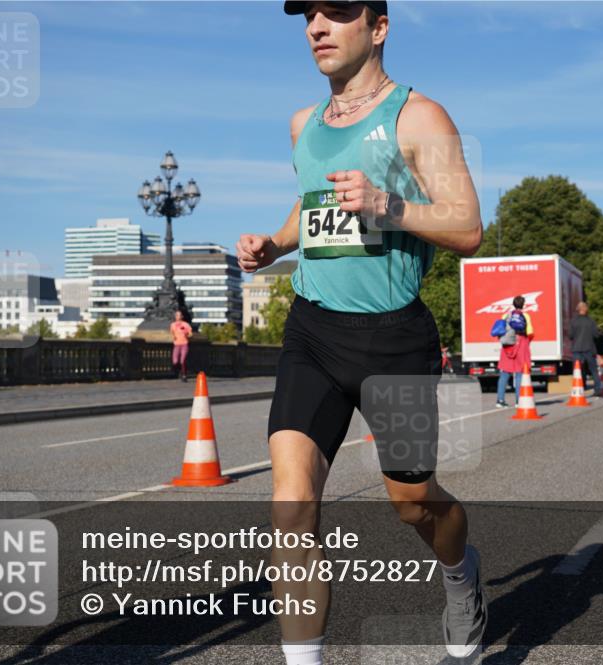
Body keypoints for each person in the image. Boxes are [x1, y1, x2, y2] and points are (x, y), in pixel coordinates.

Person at [237, 3, 486, 661]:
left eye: (337, 13)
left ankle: (460, 574)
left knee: (413, 502)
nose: (317, 27)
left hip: (393, 339)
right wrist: (274, 244)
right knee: (291, 504)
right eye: (308, 16)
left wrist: (388, 204)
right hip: (312, 332)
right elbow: (310, 202)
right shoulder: (303, 123)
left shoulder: (417, 117)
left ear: (377, 27)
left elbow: (466, 227)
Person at [496, 295, 534, 408]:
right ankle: (519, 401)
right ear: (523, 304)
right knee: (519, 373)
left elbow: (500, 330)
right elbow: (530, 332)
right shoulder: (526, 316)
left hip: (508, 345)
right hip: (521, 344)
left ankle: (500, 400)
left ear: (513, 304)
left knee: (504, 373)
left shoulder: (505, 315)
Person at [569, 301, 603, 397]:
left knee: (578, 370)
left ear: (578, 310)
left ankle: (579, 389)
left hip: (576, 349)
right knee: (593, 370)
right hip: (589, 348)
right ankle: (597, 390)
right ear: (586, 310)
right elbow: (596, 335)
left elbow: (570, 335)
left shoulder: (573, 321)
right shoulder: (591, 321)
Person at [169, 310, 193, 382]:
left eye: (179, 315)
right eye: (176, 315)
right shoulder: (172, 325)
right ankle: (180, 372)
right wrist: (173, 337)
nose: (178, 316)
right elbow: (171, 333)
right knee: (175, 361)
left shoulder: (186, 324)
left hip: (184, 344)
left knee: (183, 360)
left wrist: (188, 335)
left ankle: (184, 375)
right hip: (176, 345)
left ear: (182, 316)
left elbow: (190, 333)